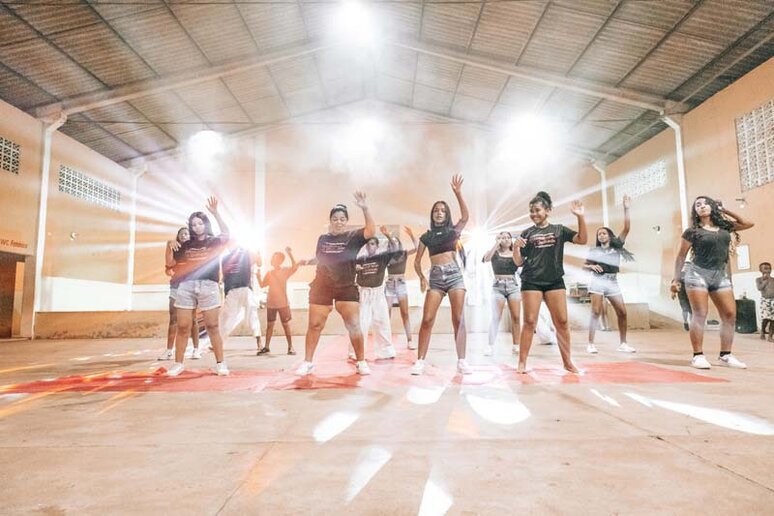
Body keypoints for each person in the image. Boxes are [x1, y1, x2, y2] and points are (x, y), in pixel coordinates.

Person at [295, 192, 376, 376]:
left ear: (346, 221)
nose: (338, 222)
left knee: (354, 325)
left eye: (342, 219)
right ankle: (307, 362)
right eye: (335, 219)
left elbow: (371, 231)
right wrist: (308, 261)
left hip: (345, 285)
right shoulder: (322, 239)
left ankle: (361, 361)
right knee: (315, 325)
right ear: (330, 221)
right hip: (322, 285)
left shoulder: (353, 237)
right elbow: (322, 258)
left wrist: (365, 208)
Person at [671, 196, 754, 369]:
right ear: (695, 211)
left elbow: (748, 223)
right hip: (697, 274)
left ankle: (725, 355)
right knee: (700, 314)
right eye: (698, 205)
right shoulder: (692, 231)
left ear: (712, 207)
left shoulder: (724, 226)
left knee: (729, 315)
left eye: (706, 203)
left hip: (720, 275)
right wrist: (676, 280)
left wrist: (724, 209)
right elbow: (680, 257)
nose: (702, 206)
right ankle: (698, 356)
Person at [513, 191, 587, 374]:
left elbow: (582, 239)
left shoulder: (559, 230)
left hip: (554, 281)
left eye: (537, 210)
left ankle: (567, 362)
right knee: (529, 321)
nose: (534, 214)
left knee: (562, 322)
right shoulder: (527, 233)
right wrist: (516, 248)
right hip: (531, 281)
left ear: (547, 210)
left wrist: (580, 217)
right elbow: (519, 262)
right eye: (531, 211)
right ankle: (522, 363)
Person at [165, 197, 231, 377]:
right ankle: (178, 364)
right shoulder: (186, 245)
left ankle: (221, 363)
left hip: (209, 285)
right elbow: (170, 264)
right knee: (183, 327)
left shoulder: (214, 241)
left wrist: (216, 213)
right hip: (186, 286)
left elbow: (226, 234)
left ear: (205, 224)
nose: (197, 227)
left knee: (212, 326)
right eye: (193, 225)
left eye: (200, 223)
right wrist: (168, 246)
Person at [412, 175, 470, 375]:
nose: (439, 213)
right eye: (436, 210)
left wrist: (458, 193)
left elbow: (465, 217)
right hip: (435, 278)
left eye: (443, 211)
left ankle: (462, 360)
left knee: (458, 318)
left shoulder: (453, 231)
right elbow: (417, 261)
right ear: (432, 214)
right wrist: (421, 277)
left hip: (454, 276)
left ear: (447, 215)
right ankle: (420, 361)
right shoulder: (426, 237)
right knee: (427, 319)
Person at [584, 195, 635, 354]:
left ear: (609, 236)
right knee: (595, 312)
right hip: (598, 281)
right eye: (599, 234)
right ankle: (590, 343)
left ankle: (623, 343)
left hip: (612, 281)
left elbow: (626, 228)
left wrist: (626, 209)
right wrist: (592, 267)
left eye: (604, 233)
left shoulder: (617, 245)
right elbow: (585, 266)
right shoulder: (594, 250)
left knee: (622, 312)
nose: (601, 235)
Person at [350, 227, 398, 360]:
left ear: (377, 246)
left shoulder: (381, 258)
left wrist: (388, 236)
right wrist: (354, 269)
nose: (370, 246)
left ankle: (386, 351)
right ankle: (356, 351)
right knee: (361, 324)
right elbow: (348, 269)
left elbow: (394, 249)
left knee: (382, 321)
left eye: (372, 244)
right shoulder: (360, 259)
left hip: (378, 294)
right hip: (364, 293)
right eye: (368, 244)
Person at [160, 227, 201, 360]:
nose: (184, 235)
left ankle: (196, 350)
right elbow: (169, 265)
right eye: (181, 234)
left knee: (193, 319)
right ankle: (168, 351)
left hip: (191, 286)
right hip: (176, 286)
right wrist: (168, 246)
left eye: (186, 233)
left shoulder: (195, 249)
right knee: (173, 318)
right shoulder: (176, 250)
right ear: (178, 237)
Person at [482, 232, 521, 357]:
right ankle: (490, 346)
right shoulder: (494, 252)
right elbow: (486, 259)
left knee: (516, 317)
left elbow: (520, 263)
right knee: (496, 317)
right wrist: (496, 244)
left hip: (513, 286)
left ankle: (516, 346)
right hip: (498, 287)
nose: (506, 239)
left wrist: (517, 248)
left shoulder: (515, 252)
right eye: (503, 237)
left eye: (508, 237)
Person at [219, 246, 262, 352]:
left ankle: (259, 342)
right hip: (233, 291)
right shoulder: (226, 258)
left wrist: (258, 254)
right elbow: (224, 276)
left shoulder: (245, 254)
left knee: (252, 314)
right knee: (227, 316)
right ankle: (219, 342)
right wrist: (225, 293)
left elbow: (259, 263)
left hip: (245, 289)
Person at [257, 247, 299, 355]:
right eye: (273, 258)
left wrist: (290, 254)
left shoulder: (285, 271)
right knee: (270, 325)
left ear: (280, 261)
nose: (273, 260)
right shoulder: (269, 273)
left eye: (275, 258)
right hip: (271, 303)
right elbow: (262, 285)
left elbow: (295, 267)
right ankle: (266, 347)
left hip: (283, 303)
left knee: (286, 325)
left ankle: (290, 347)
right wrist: (258, 277)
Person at [385, 226, 418, 349]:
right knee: (387, 313)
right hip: (389, 284)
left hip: (400, 283)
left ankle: (410, 340)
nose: (394, 243)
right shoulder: (387, 256)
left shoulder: (404, 253)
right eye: (392, 242)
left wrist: (411, 234)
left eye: (396, 241)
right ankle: (387, 342)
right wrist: (388, 237)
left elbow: (416, 248)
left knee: (405, 313)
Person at [756, 261, 773, 342]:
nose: (768, 270)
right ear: (761, 270)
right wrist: (765, 281)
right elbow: (759, 288)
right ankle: (762, 331)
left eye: (769, 269)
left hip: (773, 300)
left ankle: (770, 336)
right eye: (765, 269)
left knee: (773, 319)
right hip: (765, 300)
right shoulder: (758, 279)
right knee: (766, 318)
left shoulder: (773, 280)